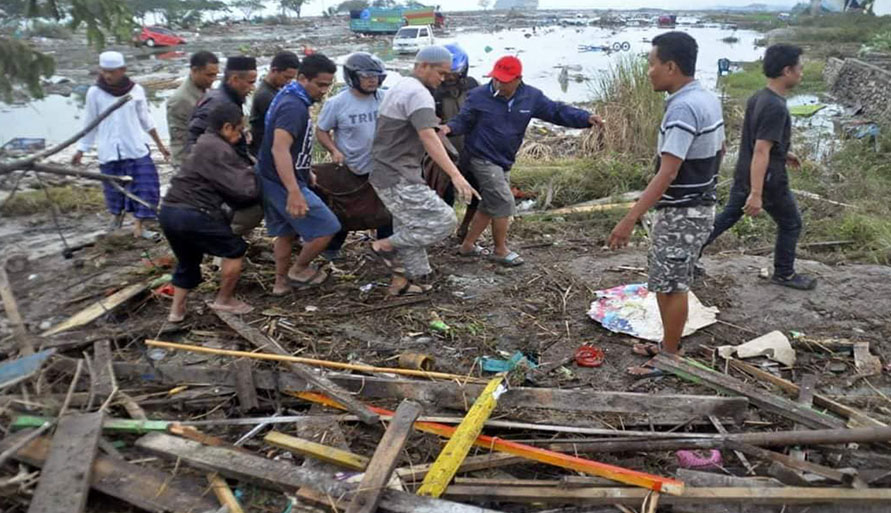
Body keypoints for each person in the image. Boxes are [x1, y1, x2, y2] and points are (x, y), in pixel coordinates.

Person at [606, 32, 725, 376]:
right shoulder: (706, 97)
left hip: (682, 213)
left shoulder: (683, 107)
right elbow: (720, 149)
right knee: (671, 281)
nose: (649, 71)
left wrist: (630, 219)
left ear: (671, 67)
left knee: (671, 286)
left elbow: (668, 172)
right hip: (698, 206)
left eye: (652, 63)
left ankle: (670, 357)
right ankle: (668, 345)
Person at [442, 55, 602, 266]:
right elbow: (464, 120)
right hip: (480, 157)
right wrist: (448, 128)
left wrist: (585, 118)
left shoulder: (531, 97)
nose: (499, 84)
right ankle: (500, 250)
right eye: (496, 79)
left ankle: (468, 245)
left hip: (504, 159)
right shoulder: (478, 96)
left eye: (505, 81)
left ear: (518, 79)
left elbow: (556, 111)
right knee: (504, 201)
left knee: (490, 203)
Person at [702, 44, 816, 291]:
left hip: (745, 172)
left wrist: (784, 152)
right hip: (768, 180)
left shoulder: (759, 97)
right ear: (787, 71)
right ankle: (784, 274)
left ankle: (687, 255)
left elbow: (760, 141)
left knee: (727, 217)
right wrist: (756, 193)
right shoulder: (775, 106)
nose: (802, 73)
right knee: (791, 223)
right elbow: (761, 150)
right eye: (799, 68)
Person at [369, 46, 479, 296]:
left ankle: (413, 279)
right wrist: (456, 175)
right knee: (444, 220)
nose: (444, 79)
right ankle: (383, 245)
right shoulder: (418, 94)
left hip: (390, 170)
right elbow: (428, 136)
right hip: (396, 174)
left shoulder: (401, 86)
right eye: (441, 73)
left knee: (409, 225)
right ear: (423, 66)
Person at [160, 103, 259, 322]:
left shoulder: (204, 142)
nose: (240, 135)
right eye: (239, 130)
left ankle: (176, 312)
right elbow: (244, 190)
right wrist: (257, 174)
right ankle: (225, 299)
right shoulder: (219, 149)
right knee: (234, 249)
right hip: (194, 213)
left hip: (168, 212)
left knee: (187, 260)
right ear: (227, 127)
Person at [257, 54, 342, 296]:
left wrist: (305, 171)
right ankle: (299, 269)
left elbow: (293, 147)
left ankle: (280, 284)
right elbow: (279, 148)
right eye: (320, 85)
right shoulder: (293, 107)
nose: (324, 91)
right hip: (281, 182)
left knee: (285, 233)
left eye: (328, 85)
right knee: (327, 226)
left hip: (272, 177)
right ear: (303, 78)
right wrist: (294, 191)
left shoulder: (290, 97)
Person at [72, 51, 170, 239]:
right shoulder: (95, 93)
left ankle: (139, 226)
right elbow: (90, 123)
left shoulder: (136, 90)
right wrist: (81, 149)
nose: (108, 76)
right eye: (104, 71)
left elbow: (146, 119)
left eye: (112, 72)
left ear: (123, 70)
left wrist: (159, 144)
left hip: (135, 148)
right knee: (114, 190)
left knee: (146, 186)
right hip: (109, 151)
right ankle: (116, 219)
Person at [316, 52, 390, 261]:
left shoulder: (385, 98)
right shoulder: (337, 103)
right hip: (352, 167)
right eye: (366, 76)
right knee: (347, 211)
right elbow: (321, 131)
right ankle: (331, 249)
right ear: (353, 77)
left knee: (387, 210)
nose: (372, 80)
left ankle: (383, 249)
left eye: (376, 76)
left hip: (382, 166)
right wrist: (334, 150)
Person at [186, 55, 263, 236]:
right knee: (253, 208)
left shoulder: (226, 99)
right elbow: (195, 137)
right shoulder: (218, 103)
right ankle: (222, 242)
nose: (252, 88)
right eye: (250, 82)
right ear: (234, 79)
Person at [434, 43, 480, 239]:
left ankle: (465, 227)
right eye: (446, 73)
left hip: (471, 149)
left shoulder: (473, 86)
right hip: (444, 151)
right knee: (444, 195)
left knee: (477, 192)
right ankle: (441, 230)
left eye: (454, 73)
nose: (450, 77)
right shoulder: (433, 91)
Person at [166, 51, 219, 166]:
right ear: (194, 71)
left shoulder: (206, 88)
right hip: (189, 162)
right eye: (209, 75)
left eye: (215, 75)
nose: (213, 79)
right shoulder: (181, 100)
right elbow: (180, 140)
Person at [249, 51, 301, 157]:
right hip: (264, 152)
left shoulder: (276, 90)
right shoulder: (265, 96)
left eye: (291, 78)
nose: (289, 82)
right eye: (286, 77)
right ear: (274, 70)